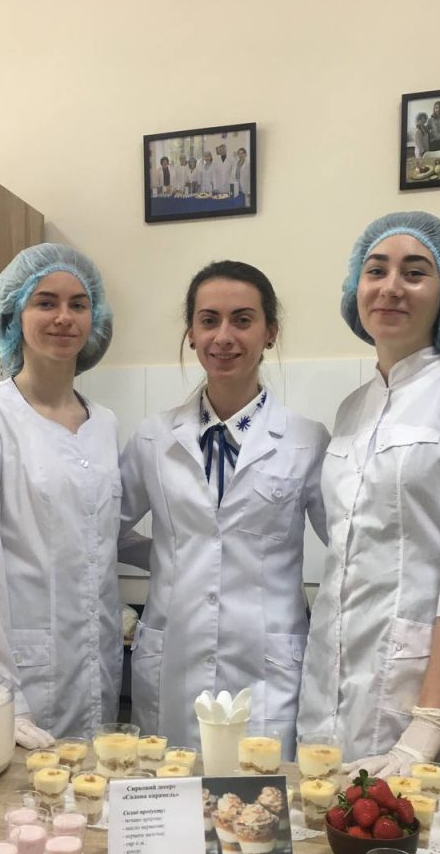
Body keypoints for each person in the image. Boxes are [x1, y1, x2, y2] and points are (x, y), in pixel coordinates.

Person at [297, 212, 440, 774]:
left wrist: (429, 725)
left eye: (415, 272)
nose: (391, 287)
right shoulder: (353, 408)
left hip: (423, 691)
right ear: (356, 288)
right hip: (331, 685)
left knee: (413, 829)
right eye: (376, 270)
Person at [119, 261, 329, 758]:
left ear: (270, 332)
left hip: (267, 668)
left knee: (260, 795)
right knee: (173, 787)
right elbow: (102, 533)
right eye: (209, 320)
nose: (224, 337)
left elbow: (351, 546)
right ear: (191, 334)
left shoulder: (306, 440)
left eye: (243, 319)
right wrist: (173, 555)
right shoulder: (153, 438)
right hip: (174, 662)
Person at [0, 244, 122, 749]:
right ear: (14, 315)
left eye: (78, 304)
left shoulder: (104, 423)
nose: (64, 317)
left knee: (92, 792)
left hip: (95, 664)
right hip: (19, 675)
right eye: (46, 302)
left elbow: (103, 534)